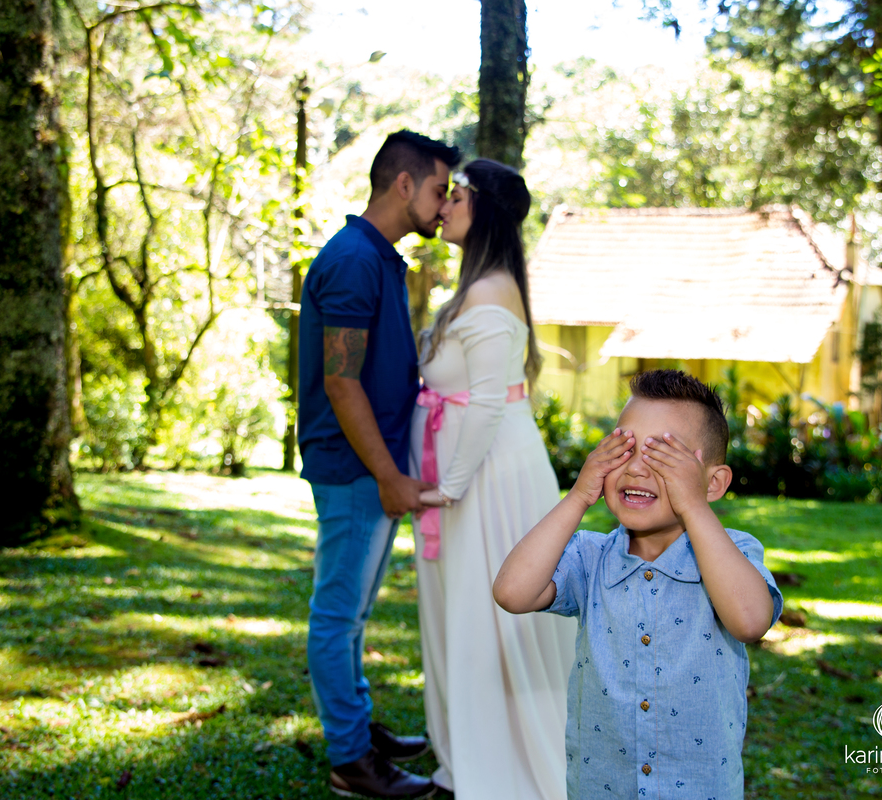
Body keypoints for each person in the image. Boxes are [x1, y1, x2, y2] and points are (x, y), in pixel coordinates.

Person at [493, 369, 784, 799]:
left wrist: (692, 504)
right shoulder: (590, 558)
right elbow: (512, 592)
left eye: (664, 457)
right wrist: (577, 497)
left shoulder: (732, 553)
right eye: (623, 450)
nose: (635, 470)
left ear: (714, 482)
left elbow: (749, 620)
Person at [297, 129, 461, 800]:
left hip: (374, 466)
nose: (444, 203)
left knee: (353, 613)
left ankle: (357, 730)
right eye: (438, 189)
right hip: (355, 469)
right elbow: (341, 382)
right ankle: (350, 760)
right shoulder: (354, 260)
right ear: (403, 184)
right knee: (337, 614)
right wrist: (389, 476)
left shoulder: (379, 257)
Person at [409, 159, 576, 798]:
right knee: (469, 617)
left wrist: (448, 488)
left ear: (484, 209)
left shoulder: (487, 293)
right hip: (475, 471)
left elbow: (483, 404)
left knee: (493, 621)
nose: (444, 204)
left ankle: (504, 769)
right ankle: (469, 756)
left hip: (487, 480)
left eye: (457, 194)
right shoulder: (480, 287)